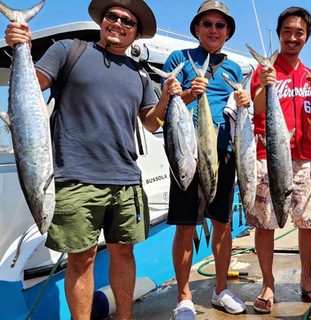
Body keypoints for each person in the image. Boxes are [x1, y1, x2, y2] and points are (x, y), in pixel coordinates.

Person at [5, 1, 181, 319]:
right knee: (81, 259)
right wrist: (21, 46)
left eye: (127, 21)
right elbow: (34, 86)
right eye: (112, 16)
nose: (118, 23)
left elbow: (151, 123)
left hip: (126, 179)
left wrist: (166, 97)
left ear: (136, 33)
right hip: (75, 177)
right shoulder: (67, 51)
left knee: (124, 253)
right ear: (102, 20)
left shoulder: (139, 74)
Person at [158, 1, 251, 319]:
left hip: (223, 153)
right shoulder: (177, 60)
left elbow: (238, 113)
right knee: (185, 227)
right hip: (187, 153)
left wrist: (244, 101)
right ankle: (184, 297)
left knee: (223, 225)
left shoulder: (234, 68)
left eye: (220, 25)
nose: (214, 29)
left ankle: (220, 289)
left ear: (227, 32)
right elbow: (165, 106)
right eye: (208, 24)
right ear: (197, 28)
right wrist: (185, 95)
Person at [248, 6, 311, 314]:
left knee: (308, 222)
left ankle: (307, 278)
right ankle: (268, 283)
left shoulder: (310, 75)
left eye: (299, 32)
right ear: (279, 34)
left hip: (305, 159)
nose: (292, 37)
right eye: (287, 32)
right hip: (268, 156)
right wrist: (266, 84)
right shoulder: (264, 70)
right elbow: (256, 108)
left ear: (307, 36)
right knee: (265, 222)